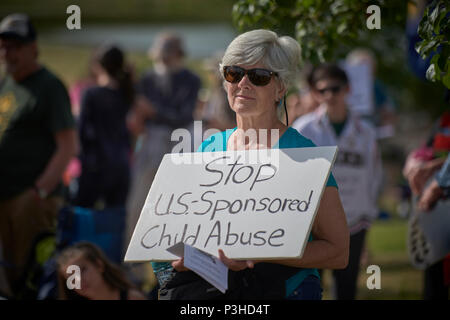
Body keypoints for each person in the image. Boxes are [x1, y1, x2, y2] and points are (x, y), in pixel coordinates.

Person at [154, 29, 349, 300]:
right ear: (225, 82)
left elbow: (338, 251)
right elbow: (191, 233)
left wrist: (261, 251)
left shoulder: (304, 154)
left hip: (288, 291)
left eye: (259, 77)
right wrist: (186, 257)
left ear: (280, 88)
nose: (243, 83)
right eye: (234, 73)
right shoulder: (208, 148)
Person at [0, 13, 78, 297]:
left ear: (33, 47)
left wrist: (39, 191)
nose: (8, 52)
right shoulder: (6, 84)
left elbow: (68, 145)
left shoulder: (49, 86)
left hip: (31, 199)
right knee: (7, 274)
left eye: (16, 46)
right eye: (4, 45)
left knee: (32, 275)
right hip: (5, 196)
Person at [292, 64, 382, 300]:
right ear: (315, 93)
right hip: (314, 222)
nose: (329, 95)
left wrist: (368, 213)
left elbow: (374, 173)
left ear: (348, 89)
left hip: (355, 219)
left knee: (347, 285)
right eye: (323, 91)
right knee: (311, 284)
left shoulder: (367, 132)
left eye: (335, 89)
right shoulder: (303, 129)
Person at [74, 44, 133, 210]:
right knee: (115, 217)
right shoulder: (127, 92)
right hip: (121, 165)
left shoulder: (91, 93)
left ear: (97, 65)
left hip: (95, 165)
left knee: (83, 213)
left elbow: (81, 130)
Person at [56, 242, 146, 300]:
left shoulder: (132, 297)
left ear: (99, 265)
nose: (79, 280)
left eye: (82, 270)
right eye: (71, 278)